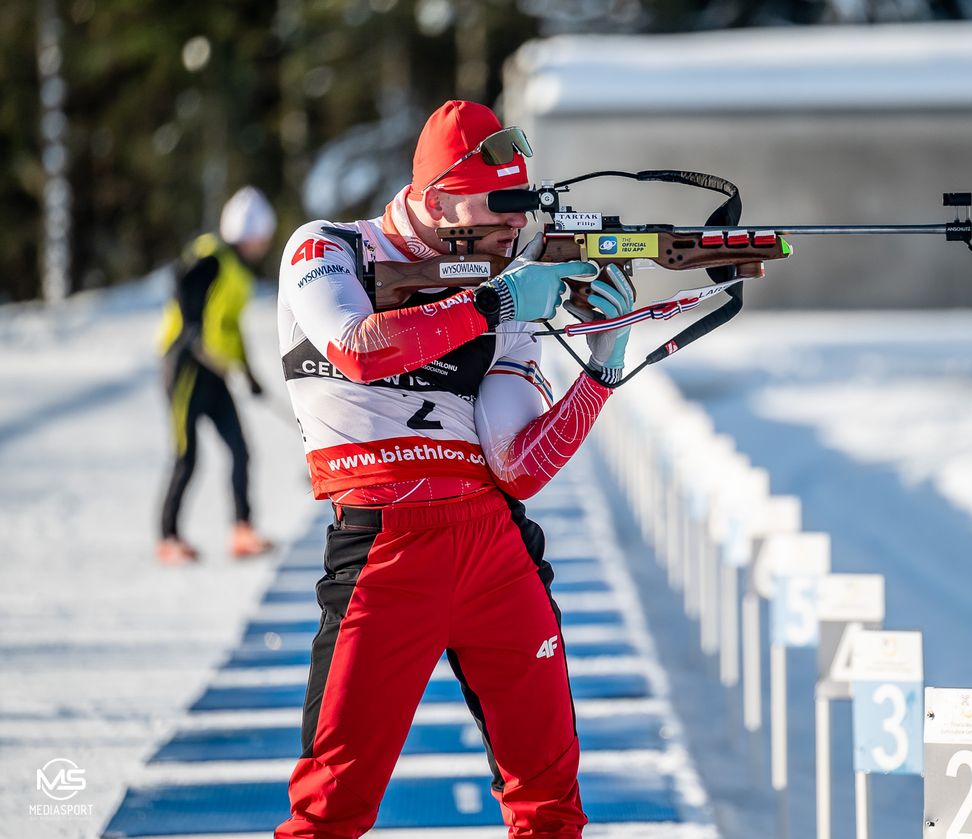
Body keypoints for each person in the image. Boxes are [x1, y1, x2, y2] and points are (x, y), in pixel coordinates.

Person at [273, 100, 635, 838]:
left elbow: (518, 465)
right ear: (440, 199)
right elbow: (358, 345)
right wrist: (493, 300)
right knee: (329, 807)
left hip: (493, 548)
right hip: (384, 544)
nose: (514, 227)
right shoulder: (328, 248)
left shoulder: (512, 287)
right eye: (499, 208)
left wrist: (602, 367)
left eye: (523, 207)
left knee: (550, 802)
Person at [156, 186, 277, 565]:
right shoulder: (213, 254)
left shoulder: (238, 272)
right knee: (186, 456)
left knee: (240, 449)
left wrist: (249, 373)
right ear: (252, 233)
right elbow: (183, 280)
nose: (265, 244)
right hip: (187, 366)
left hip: (215, 371)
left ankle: (242, 528)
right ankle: (168, 538)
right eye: (263, 236)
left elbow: (230, 328)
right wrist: (190, 327)